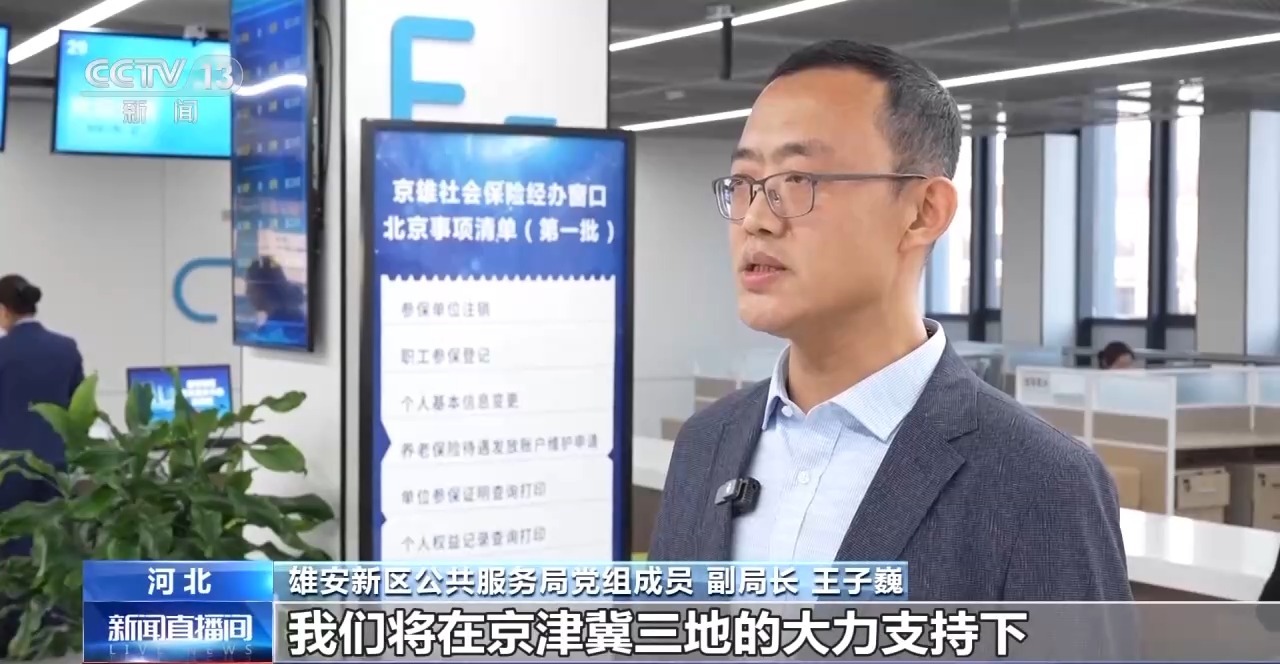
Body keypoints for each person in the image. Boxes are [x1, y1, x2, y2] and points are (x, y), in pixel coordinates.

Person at [648, 40, 1131, 602]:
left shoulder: (1038, 481)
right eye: (744, 183)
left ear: (923, 212)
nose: (755, 218)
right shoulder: (706, 443)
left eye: (798, 180)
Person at [0, 274, 83, 653]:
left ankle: (12, 635)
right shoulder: (65, 349)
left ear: (4, 310)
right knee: (52, 547)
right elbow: (78, 409)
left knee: (11, 550)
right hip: (55, 467)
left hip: (8, 468)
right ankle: (52, 631)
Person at [243, 256, 307, 345]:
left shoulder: (276, 333)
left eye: (249, 285)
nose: (247, 292)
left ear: (262, 289)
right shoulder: (296, 318)